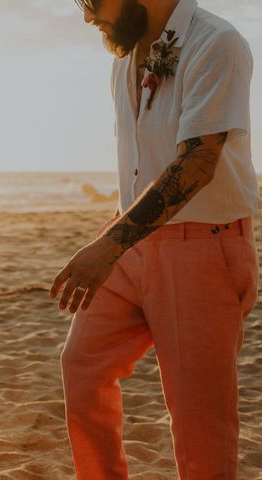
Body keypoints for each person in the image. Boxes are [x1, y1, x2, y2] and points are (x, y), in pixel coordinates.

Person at [51, 0, 260, 478]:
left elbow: (198, 163)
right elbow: (141, 164)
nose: (87, 16)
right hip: (130, 242)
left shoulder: (217, 42)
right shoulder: (124, 59)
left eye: (90, 1)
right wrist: (114, 236)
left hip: (202, 247)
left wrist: (108, 245)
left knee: (198, 419)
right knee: (82, 368)